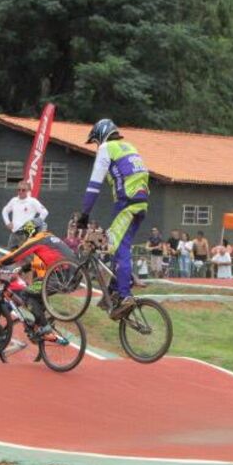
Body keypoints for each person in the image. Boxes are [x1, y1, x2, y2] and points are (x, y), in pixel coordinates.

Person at [75, 119, 149, 320]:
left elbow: (93, 185)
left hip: (127, 203)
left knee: (119, 247)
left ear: (101, 136)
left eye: (96, 142)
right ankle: (116, 289)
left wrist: (84, 214)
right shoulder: (129, 147)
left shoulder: (107, 148)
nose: (97, 146)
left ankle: (124, 296)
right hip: (141, 203)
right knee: (112, 241)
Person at [1, 180, 49, 249]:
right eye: (19, 190)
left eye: (23, 190)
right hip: (14, 233)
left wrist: (34, 224)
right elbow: (5, 211)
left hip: (26, 234)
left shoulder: (32, 201)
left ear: (28, 191)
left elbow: (45, 212)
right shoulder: (14, 200)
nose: (20, 192)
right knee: (10, 255)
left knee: (26, 256)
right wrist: (7, 223)